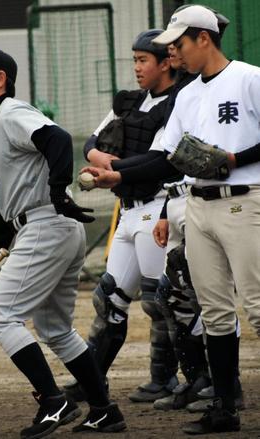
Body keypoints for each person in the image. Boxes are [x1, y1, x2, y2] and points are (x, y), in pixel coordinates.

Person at [83, 4, 260, 434]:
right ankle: (222, 407)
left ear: (204, 38)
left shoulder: (249, 78)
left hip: (244, 201)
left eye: (178, 44)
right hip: (196, 205)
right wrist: (118, 175)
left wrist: (236, 157)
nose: (173, 53)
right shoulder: (188, 95)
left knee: (257, 306)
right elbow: (168, 159)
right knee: (215, 312)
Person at [0, 47, 126, 439]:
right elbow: (1, 203)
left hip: (46, 225)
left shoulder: (11, 112)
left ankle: (53, 401)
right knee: (55, 328)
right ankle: (105, 410)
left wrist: (59, 192)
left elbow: (58, 139)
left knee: (0, 318)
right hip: (48, 227)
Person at [65, 29, 181, 405]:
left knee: (159, 300)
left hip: (157, 208)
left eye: (143, 60)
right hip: (127, 210)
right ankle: (92, 382)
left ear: (166, 63)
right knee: (109, 298)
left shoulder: (177, 103)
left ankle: (167, 380)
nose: (136, 67)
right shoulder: (128, 101)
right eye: (134, 59)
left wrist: (113, 169)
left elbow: (160, 161)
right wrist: (108, 165)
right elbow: (90, 144)